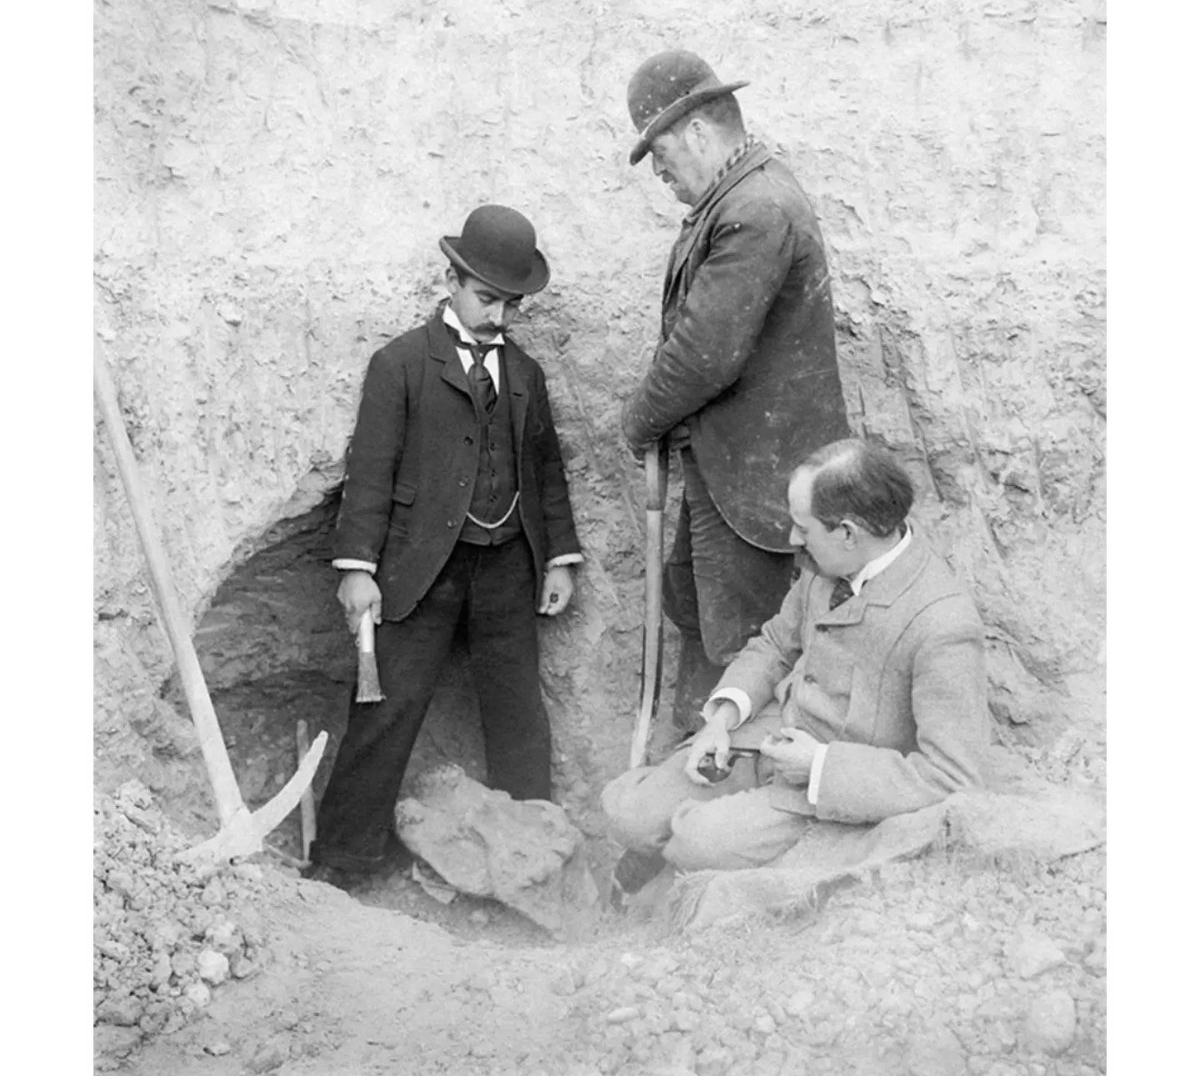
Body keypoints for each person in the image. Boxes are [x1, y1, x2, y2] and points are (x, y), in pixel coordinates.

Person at [307, 204, 582, 886]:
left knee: (517, 708)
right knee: (387, 706)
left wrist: (559, 557)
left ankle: (534, 865)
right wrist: (358, 569)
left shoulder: (525, 374)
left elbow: (544, 470)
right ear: (452, 280)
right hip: (418, 566)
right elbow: (370, 472)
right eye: (487, 298)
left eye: (510, 304)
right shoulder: (399, 364)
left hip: (507, 565)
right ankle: (345, 861)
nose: (499, 317)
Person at [603, 437, 990, 895]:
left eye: (803, 529)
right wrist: (723, 719)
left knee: (697, 842)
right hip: (765, 739)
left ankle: (671, 870)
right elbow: (776, 642)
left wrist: (819, 766)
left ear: (848, 533)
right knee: (628, 813)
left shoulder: (942, 623)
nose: (792, 539)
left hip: (821, 789)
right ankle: (662, 848)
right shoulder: (828, 563)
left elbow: (954, 776)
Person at [621, 49, 850, 735]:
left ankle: (734, 804)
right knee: (697, 610)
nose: (658, 172)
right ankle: (689, 787)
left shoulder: (755, 209)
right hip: (735, 477)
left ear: (696, 131)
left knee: (744, 645)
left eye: (660, 152)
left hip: (760, 486)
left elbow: (703, 353)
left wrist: (639, 422)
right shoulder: (737, 200)